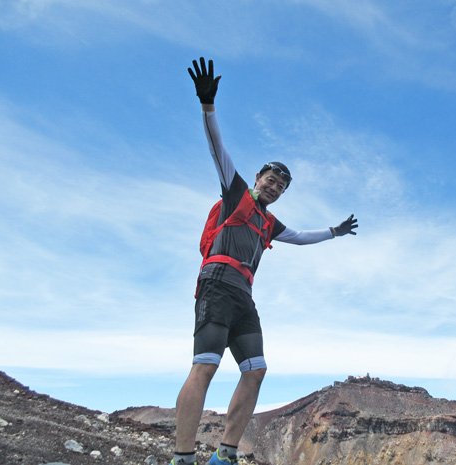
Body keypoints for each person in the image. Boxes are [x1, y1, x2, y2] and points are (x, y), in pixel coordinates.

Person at [169, 57, 358, 465]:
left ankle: (225, 454)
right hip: (218, 281)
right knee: (205, 367)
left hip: (243, 296)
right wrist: (207, 106)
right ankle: (182, 457)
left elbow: (301, 237)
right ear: (257, 179)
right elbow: (217, 148)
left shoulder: (268, 222)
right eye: (270, 180)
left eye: (281, 186)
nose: (274, 187)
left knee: (255, 371)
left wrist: (334, 232)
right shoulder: (236, 194)